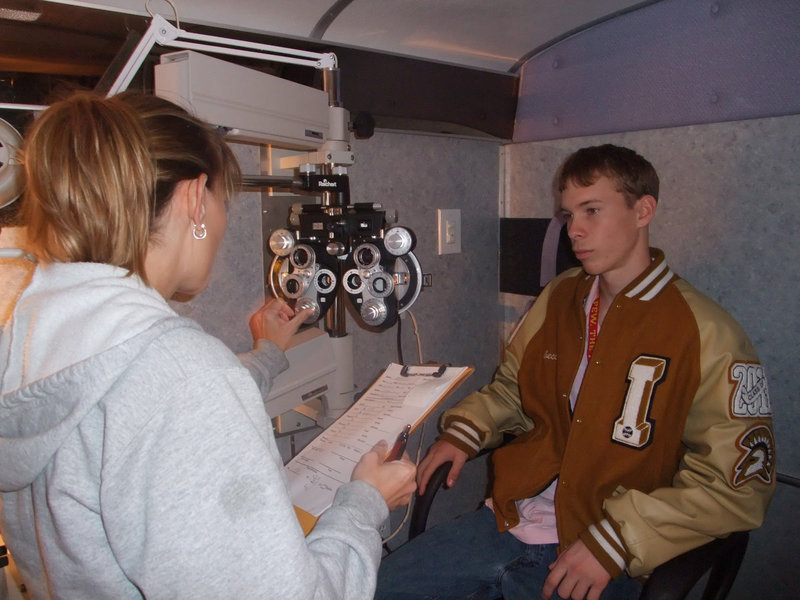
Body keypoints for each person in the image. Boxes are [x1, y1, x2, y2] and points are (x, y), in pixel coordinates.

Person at [0, 90, 417, 599]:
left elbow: (131, 405)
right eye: (224, 202)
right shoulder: (181, 373)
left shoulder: (30, 334)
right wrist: (364, 504)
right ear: (196, 198)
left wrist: (266, 356)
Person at [375, 144, 775, 600]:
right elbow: (513, 390)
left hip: (611, 548)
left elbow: (737, 486)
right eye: (568, 215)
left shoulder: (707, 332)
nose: (575, 232)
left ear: (643, 210)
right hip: (510, 519)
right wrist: (465, 431)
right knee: (363, 589)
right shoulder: (560, 296)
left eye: (592, 211)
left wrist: (616, 541)